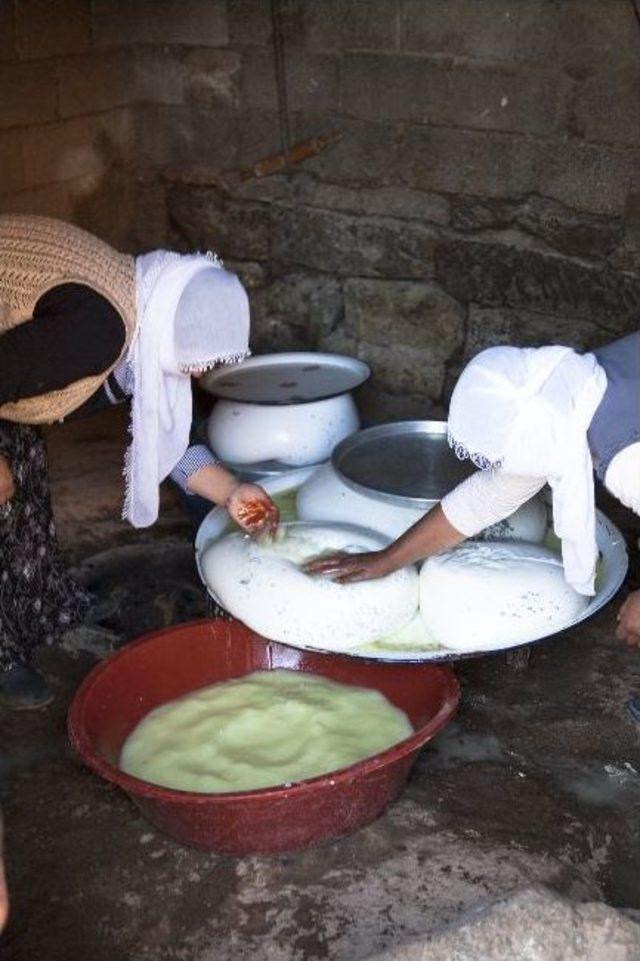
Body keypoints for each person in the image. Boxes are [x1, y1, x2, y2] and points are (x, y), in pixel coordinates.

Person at [0, 214, 279, 710]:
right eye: (202, 357)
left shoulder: (146, 306)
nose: (201, 371)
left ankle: (42, 615)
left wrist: (231, 491)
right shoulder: (100, 331)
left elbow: (164, 438)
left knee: (20, 504)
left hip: (13, 376)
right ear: (177, 325)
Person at [308, 334, 640, 648]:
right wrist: (388, 559)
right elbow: (481, 501)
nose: (501, 465)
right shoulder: (565, 395)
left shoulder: (626, 463)